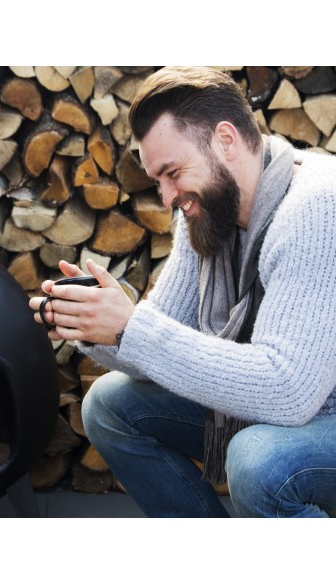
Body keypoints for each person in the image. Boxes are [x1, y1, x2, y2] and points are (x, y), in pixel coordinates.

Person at [29, 66, 336, 518]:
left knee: (257, 461)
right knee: (109, 405)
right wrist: (96, 321)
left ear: (225, 141)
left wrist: (132, 326)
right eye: (157, 180)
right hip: (294, 407)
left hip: (310, 408)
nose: (168, 195)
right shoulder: (209, 211)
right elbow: (156, 346)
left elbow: (289, 390)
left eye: (172, 172)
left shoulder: (315, 208)